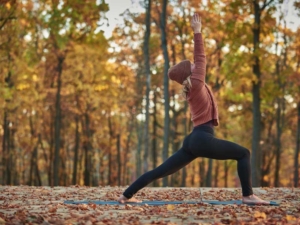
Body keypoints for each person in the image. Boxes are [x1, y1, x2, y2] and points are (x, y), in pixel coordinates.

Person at [118, 13, 269, 205]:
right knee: (244, 153)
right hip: (201, 139)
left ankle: (125, 196)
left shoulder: (194, 88)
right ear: (191, 73)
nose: (196, 64)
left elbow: (199, 62)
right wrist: (197, 32)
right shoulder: (196, 84)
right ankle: (248, 196)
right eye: (193, 66)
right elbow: (201, 57)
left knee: (161, 171)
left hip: (194, 140)